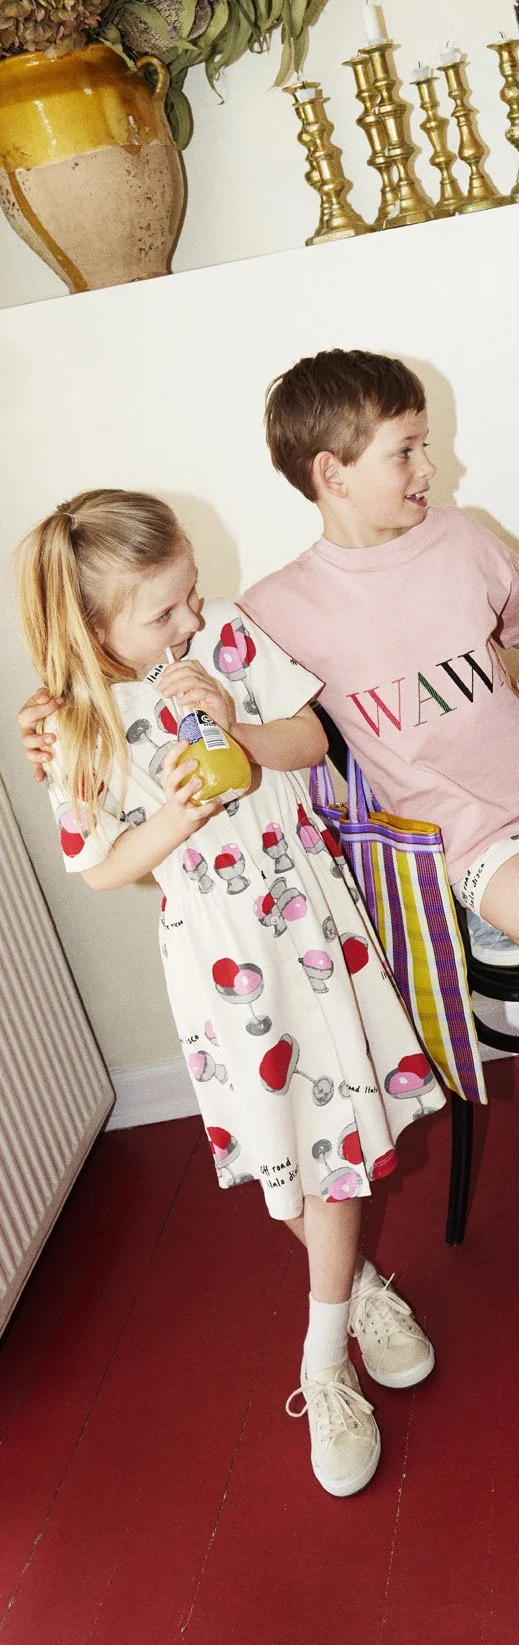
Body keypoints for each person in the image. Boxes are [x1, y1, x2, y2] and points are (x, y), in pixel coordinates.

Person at [15, 490, 445, 1500]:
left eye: (189, 592)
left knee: (332, 1150)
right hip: (217, 958)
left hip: (305, 924)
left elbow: (312, 740)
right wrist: (173, 814)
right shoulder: (72, 724)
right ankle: (362, 1292)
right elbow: (101, 865)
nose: (188, 618)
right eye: (162, 611)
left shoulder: (227, 641)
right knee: (285, 1155)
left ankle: (321, 1356)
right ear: (94, 627)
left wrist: (239, 730)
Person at [20, 351, 519, 968]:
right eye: (406, 452)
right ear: (333, 474)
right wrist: (52, 709)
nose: (429, 467)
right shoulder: (271, 609)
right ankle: (497, 910)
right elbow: (141, 659)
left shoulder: (460, 536)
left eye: (424, 447)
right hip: (467, 832)